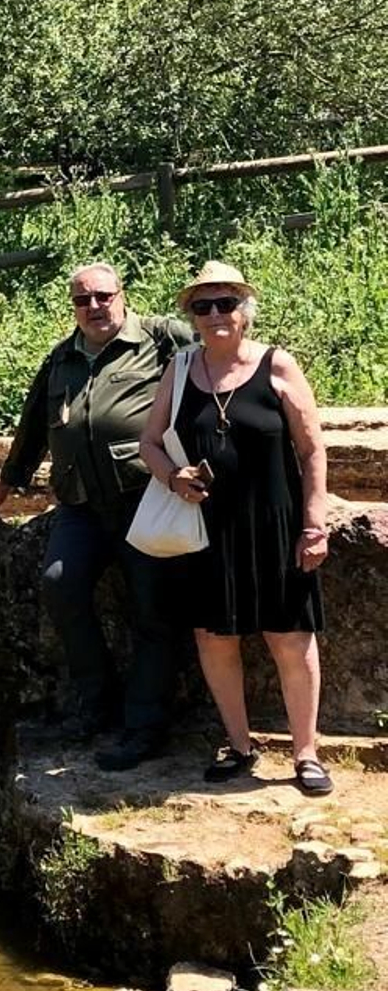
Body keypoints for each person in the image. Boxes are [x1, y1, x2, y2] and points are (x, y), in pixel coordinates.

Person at [0, 263, 195, 770]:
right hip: (81, 506)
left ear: (122, 295)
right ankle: (95, 703)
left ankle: (144, 726)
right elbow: (34, 423)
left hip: (145, 500)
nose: (94, 307)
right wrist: (7, 482)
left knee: (153, 611)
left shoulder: (162, 339)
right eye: (83, 300)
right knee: (60, 583)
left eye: (103, 296)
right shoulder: (63, 358)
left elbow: (214, 377)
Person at [139, 262, 331, 793]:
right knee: (215, 638)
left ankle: (306, 753)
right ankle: (240, 746)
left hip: (275, 523)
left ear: (244, 311)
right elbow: (149, 442)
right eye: (203, 306)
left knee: (290, 637)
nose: (215, 314)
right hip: (206, 528)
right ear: (192, 317)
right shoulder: (180, 369)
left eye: (226, 303)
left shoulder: (277, 365)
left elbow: (312, 449)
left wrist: (314, 522)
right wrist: (173, 476)